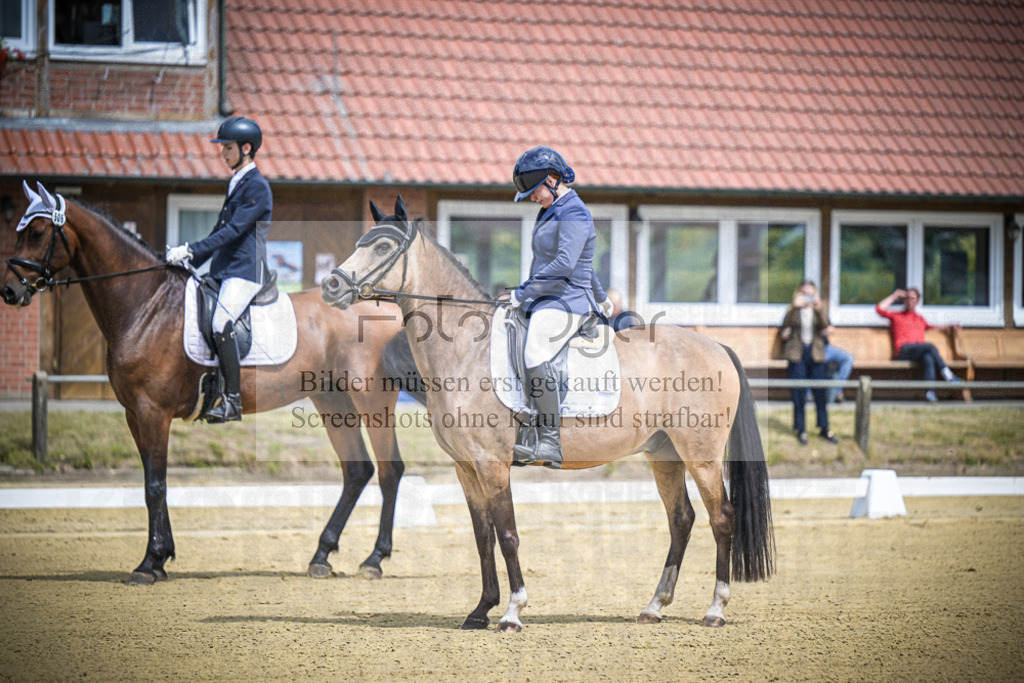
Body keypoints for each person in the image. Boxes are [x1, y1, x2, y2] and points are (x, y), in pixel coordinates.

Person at [508, 145, 612, 468]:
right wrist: (602, 293)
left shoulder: (574, 212)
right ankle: (526, 426)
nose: (532, 198)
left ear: (552, 180)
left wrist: (522, 293)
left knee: (535, 351)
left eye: (535, 191)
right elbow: (583, 261)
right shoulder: (552, 210)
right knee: (511, 336)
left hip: (568, 301)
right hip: (549, 297)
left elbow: (568, 264)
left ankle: (550, 439)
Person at [166, 116, 273, 422]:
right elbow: (219, 229)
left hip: (245, 271)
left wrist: (191, 249)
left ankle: (233, 401)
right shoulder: (238, 182)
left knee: (219, 322)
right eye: (222, 147)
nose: (222, 153)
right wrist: (190, 263)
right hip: (226, 269)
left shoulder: (258, 187)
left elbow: (234, 232)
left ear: (246, 148)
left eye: (228, 147)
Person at [876, 288, 961, 402]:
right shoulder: (896, 315)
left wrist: (950, 326)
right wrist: (894, 296)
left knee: (928, 358)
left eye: (912, 298)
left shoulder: (920, 319)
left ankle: (929, 393)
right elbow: (879, 309)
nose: (909, 301)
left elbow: (933, 327)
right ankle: (948, 375)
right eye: (907, 298)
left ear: (917, 301)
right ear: (903, 301)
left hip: (918, 353)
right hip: (903, 351)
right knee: (929, 347)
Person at [779, 280, 837, 445]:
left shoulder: (819, 308)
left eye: (810, 293)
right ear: (798, 293)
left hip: (816, 353)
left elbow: (826, 326)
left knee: (820, 392)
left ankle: (824, 427)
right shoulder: (792, 309)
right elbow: (784, 327)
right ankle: (801, 429)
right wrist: (794, 307)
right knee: (799, 393)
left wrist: (819, 310)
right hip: (797, 353)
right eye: (804, 293)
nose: (807, 297)